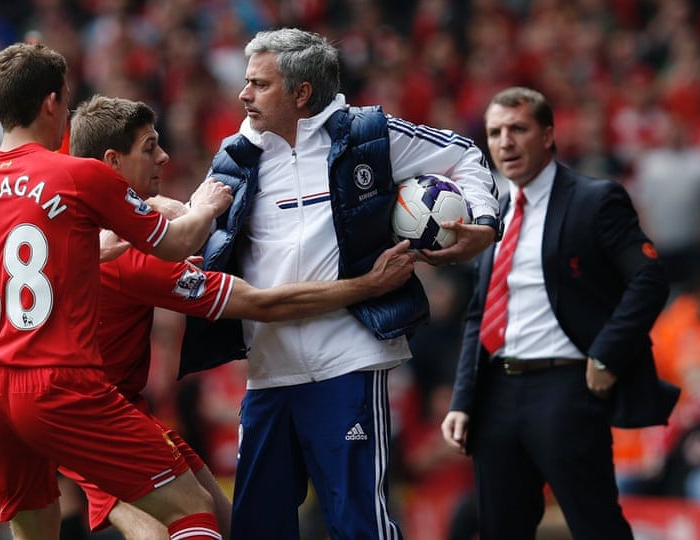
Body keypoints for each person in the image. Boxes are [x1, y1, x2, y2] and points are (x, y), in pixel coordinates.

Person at [179, 28, 501, 540]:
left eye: (258, 84)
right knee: (258, 529)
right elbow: (187, 231)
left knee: (360, 527)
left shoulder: (369, 135)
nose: (244, 95)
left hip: (348, 363)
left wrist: (483, 224)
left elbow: (465, 153)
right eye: (246, 83)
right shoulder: (237, 154)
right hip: (268, 372)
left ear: (301, 92)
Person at [62, 94, 418, 539]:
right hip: (89, 417)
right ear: (112, 162)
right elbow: (261, 304)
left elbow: (158, 233)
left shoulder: (97, 229)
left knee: (224, 523)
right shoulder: (129, 256)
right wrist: (367, 287)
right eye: (149, 147)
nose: (164, 156)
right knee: (181, 523)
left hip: (116, 408)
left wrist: (183, 215)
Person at [0, 42, 234, 540]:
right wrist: (205, 206)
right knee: (192, 508)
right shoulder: (78, 174)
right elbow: (178, 245)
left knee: (37, 535)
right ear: (53, 102)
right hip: (59, 381)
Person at [441, 86, 680, 540]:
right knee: (500, 530)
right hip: (496, 395)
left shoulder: (595, 199)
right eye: (495, 132)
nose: (505, 141)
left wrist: (607, 355)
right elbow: (479, 313)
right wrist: (462, 400)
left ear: (548, 135)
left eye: (518, 129)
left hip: (566, 389)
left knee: (597, 527)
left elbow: (649, 279)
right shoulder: (491, 212)